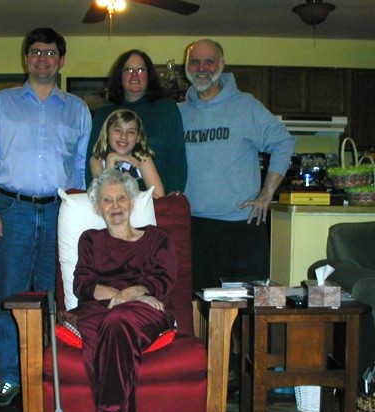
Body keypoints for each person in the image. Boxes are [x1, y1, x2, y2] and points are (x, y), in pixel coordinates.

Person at [0, 27, 91, 407]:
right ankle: (10, 377)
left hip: (60, 212)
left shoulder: (77, 109)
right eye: (36, 52)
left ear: (61, 60)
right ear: (26, 58)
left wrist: (80, 215)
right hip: (12, 210)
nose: (43, 59)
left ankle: (49, 374)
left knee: (54, 295)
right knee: (11, 296)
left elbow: (79, 170)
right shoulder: (1, 103)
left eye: (51, 52)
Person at [73, 169, 177, 412]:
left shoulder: (158, 238)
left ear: (132, 202)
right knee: (107, 343)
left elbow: (163, 281)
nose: (115, 205)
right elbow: (83, 285)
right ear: (98, 207)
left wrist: (132, 292)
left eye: (121, 198)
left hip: (145, 310)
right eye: (107, 200)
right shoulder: (91, 239)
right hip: (98, 310)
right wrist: (115, 297)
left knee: (117, 324)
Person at [178, 39, 295, 290]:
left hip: (242, 226)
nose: (202, 67)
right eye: (195, 61)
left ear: (221, 65)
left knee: (245, 309)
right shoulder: (178, 113)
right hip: (193, 226)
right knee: (199, 307)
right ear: (186, 66)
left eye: (209, 61)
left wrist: (267, 194)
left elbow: (283, 142)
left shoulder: (246, 106)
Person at [86, 49, 187, 194]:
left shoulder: (167, 109)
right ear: (120, 76)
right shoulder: (104, 114)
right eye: (128, 69)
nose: (134, 74)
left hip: (156, 201)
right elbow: (93, 158)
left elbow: (177, 157)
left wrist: (173, 194)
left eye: (140, 69)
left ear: (149, 75)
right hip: (110, 205)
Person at [89, 108, 165, 198]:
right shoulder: (97, 160)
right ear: (106, 133)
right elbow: (106, 196)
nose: (124, 136)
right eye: (117, 130)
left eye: (131, 132)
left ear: (138, 137)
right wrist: (111, 159)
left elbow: (159, 195)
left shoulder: (142, 159)